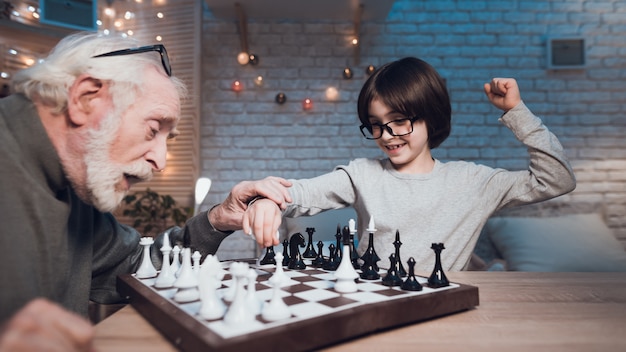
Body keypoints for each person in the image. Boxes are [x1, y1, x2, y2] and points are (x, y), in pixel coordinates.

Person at [0, 32, 291, 351]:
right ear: (85, 99)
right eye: (153, 130)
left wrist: (217, 220)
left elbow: (142, 267)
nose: (161, 161)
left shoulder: (73, 186)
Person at [246, 57, 576, 272]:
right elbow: (301, 192)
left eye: (399, 121)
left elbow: (557, 180)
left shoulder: (475, 182)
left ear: (430, 116)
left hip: (441, 311)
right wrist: (267, 200)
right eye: (375, 124)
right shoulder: (362, 174)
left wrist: (517, 112)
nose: (386, 135)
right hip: (371, 303)